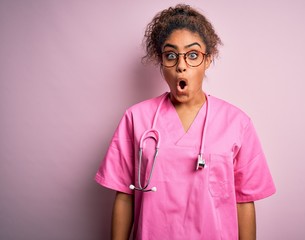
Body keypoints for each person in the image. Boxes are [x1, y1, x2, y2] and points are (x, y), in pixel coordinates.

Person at [95, 4, 276, 240]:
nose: (181, 65)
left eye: (192, 55)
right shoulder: (136, 118)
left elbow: (244, 202)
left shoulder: (237, 123)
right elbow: (124, 196)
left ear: (208, 59)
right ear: (161, 61)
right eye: (171, 55)